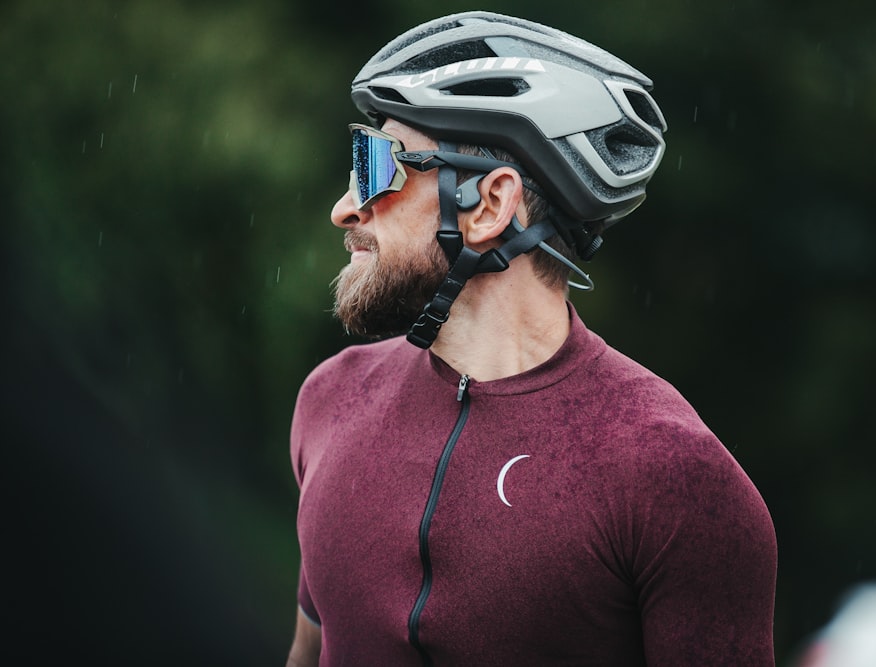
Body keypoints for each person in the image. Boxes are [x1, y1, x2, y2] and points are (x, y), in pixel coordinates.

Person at [287, 11, 777, 667]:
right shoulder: (331, 401)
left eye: (377, 165)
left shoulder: (670, 475)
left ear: (490, 205)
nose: (345, 207)